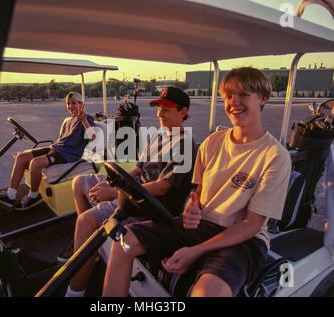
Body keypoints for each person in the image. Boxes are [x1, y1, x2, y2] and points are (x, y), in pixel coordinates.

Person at [102, 67, 292, 297]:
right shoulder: (212, 143)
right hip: (201, 226)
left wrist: (195, 251)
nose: (235, 102)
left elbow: (251, 225)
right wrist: (193, 206)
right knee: (124, 240)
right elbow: (198, 191)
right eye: (229, 96)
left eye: (244, 94)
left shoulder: (275, 156)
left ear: (262, 99)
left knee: (208, 292)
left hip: (243, 240)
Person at [63, 87, 196, 297]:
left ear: (183, 112)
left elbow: (163, 186)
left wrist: (117, 192)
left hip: (149, 205)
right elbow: (137, 169)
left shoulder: (185, 145)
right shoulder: (156, 136)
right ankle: (90, 252)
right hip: (133, 192)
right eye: (159, 108)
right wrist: (111, 183)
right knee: (80, 185)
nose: (160, 113)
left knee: (85, 221)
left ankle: (74, 292)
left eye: (167, 109)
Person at [0, 91, 95, 211]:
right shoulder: (68, 120)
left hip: (68, 155)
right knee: (21, 158)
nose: (71, 106)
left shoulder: (86, 118)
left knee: (35, 163)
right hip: (56, 148)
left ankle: (33, 196)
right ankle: (11, 195)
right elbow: (60, 141)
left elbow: (93, 137)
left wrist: (84, 121)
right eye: (68, 104)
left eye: (74, 103)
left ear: (82, 104)